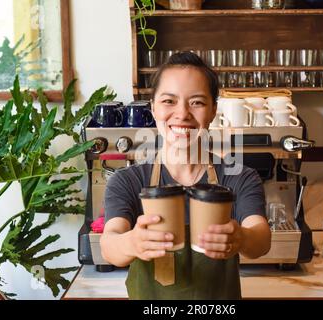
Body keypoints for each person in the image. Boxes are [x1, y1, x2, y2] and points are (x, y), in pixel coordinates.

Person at [100, 51, 271, 299]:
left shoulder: (239, 177)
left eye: (197, 102)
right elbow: (109, 245)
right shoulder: (128, 181)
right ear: (153, 108)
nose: (182, 114)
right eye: (169, 101)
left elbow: (261, 239)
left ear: (213, 110)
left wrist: (241, 237)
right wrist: (132, 243)